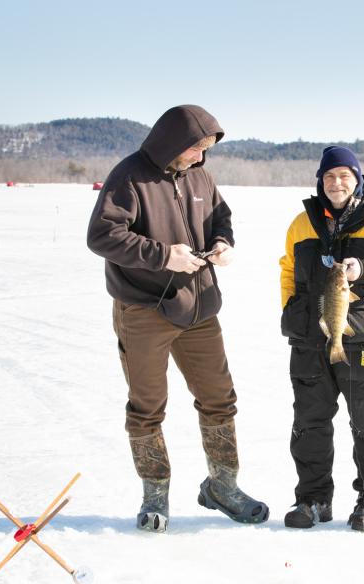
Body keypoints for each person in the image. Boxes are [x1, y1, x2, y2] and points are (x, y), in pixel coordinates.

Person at [86, 104, 268, 533]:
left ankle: (222, 486)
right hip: (144, 310)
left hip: (200, 308)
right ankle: (155, 493)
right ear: (174, 142)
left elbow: (220, 215)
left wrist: (222, 241)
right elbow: (102, 235)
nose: (201, 158)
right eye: (196, 148)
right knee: (147, 406)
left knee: (219, 398)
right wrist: (164, 256)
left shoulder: (200, 176)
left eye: (207, 149)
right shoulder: (129, 176)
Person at [279, 146, 364, 532]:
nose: (336, 183)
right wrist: (291, 312)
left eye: (344, 175)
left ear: (357, 178)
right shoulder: (302, 223)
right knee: (309, 421)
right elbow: (288, 270)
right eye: (329, 177)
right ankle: (312, 499)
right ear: (320, 181)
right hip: (310, 340)